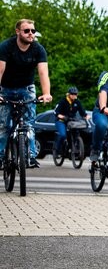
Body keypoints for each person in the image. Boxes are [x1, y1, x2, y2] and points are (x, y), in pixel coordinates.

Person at [0, 19, 52, 167]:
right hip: (6, 88)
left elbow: (43, 73)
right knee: (4, 125)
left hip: (27, 88)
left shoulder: (38, 49)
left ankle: (30, 156)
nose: (31, 34)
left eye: (33, 31)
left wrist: (46, 93)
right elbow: (0, 70)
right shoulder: (6, 47)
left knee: (29, 124)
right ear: (18, 32)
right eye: (27, 31)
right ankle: (1, 156)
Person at [53, 87, 90, 158]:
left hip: (71, 121)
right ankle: (57, 150)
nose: (74, 95)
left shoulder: (77, 102)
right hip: (61, 121)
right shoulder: (63, 101)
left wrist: (86, 117)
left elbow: (82, 112)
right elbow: (56, 112)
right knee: (63, 135)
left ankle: (73, 147)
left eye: (75, 94)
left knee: (75, 133)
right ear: (69, 94)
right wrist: (62, 117)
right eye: (72, 94)